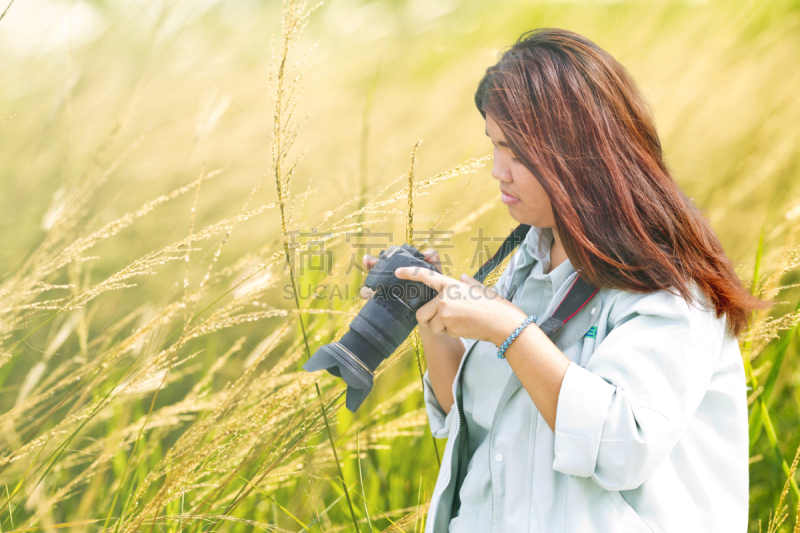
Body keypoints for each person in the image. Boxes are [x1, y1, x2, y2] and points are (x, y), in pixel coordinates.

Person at [363, 28, 768, 532]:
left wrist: (508, 328)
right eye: (493, 146)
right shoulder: (530, 258)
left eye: (515, 152)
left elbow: (625, 446)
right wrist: (425, 307)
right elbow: (469, 414)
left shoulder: (671, 282)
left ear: (579, 152)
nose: (498, 172)